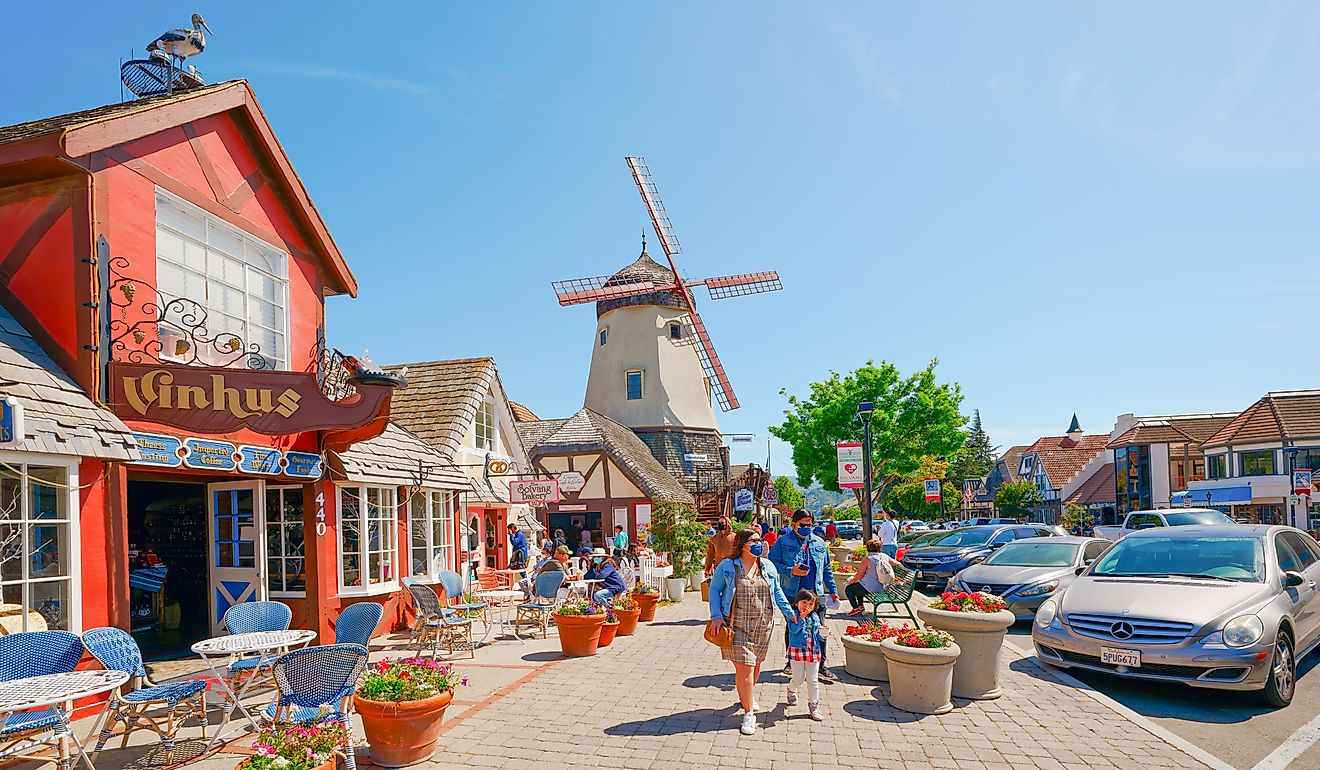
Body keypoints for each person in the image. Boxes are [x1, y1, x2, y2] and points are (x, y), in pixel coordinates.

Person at [707, 528, 794, 736]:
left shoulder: (768, 566)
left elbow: (778, 592)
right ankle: (748, 714)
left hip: (764, 624)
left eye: (760, 540)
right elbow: (714, 589)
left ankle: (747, 695)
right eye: (754, 540)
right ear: (743, 544)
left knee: (756, 666)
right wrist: (716, 615)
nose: (759, 544)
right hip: (737, 624)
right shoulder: (729, 566)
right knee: (745, 667)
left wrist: (791, 614)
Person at [768, 509, 838, 681]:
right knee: (794, 628)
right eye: (803, 525)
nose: (807, 528)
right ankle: (791, 663)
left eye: (809, 525)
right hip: (793, 594)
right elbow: (772, 563)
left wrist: (834, 590)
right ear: (794, 524)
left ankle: (821, 665)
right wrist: (790, 570)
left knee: (820, 628)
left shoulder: (819, 543)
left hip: (816, 594)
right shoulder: (783, 542)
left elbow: (827, 568)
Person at [785, 589, 828, 721]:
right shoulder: (793, 616)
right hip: (797, 650)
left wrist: (823, 634)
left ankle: (814, 705)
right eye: (804, 602)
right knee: (798, 679)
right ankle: (791, 689)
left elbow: (818, 634)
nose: (807, 606)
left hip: (813, 651)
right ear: (797, 603)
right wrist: (801, 618)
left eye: (811, 603)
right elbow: (793, 630)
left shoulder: (815, 617)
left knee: (813, 680)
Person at [844, 538, 898, 616]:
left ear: (868, 548)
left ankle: (855, 608)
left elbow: (859, 575)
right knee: (858, 585)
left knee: (849, 589)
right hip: (882, 587)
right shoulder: (884, 556)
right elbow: (895, 562)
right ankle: (861, 606)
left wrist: (852, 580)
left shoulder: (867, 559)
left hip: (870, 588)